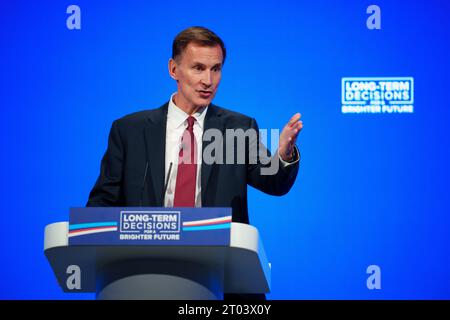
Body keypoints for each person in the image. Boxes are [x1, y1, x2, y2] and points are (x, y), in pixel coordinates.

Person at [87, 26, 303, 299]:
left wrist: (283, 154)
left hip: (221, 280)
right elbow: (101, 207)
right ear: (174, 70)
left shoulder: (237, 128)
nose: (208, 80)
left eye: (216, 69)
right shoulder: (130, 130)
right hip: (142, 276)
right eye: (198, 68)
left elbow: (273, 182)